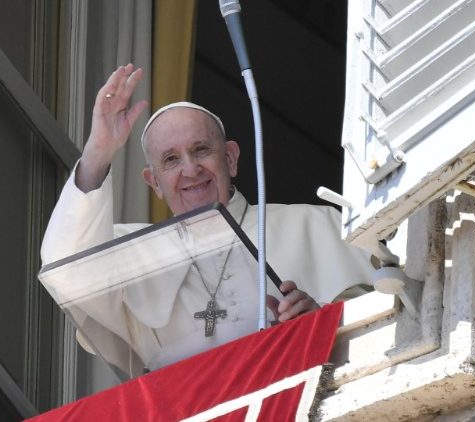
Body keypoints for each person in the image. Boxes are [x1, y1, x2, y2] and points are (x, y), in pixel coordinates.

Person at [40, 64, 374, 376]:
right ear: (154, 182)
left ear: (230, 159)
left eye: (200, 150)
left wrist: (324, 322)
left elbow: (387, 322)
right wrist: (99, 148)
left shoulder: (315, 225)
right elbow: (65, 269)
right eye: (171, 160)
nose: (190, 169)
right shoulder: (133, 253)